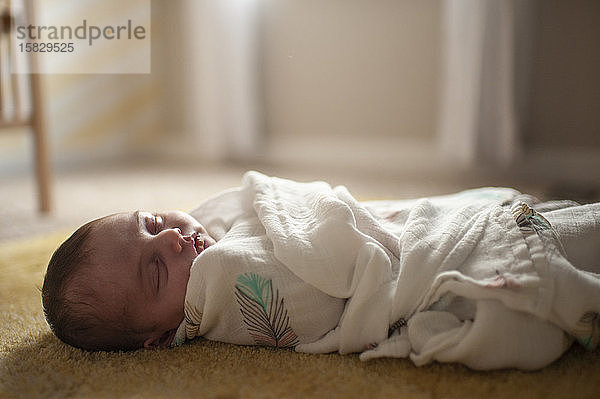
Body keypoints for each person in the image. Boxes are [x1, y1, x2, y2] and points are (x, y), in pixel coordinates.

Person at [42, 171, 600, 370]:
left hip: (412, 225)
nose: (167, 236)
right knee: (567, 241)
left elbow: (299, 206)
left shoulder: (210, 220)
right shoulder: (224, 284)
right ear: (159, 335)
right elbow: (319, 281)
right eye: (156, 272)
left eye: (148, 222)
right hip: (430, 263)